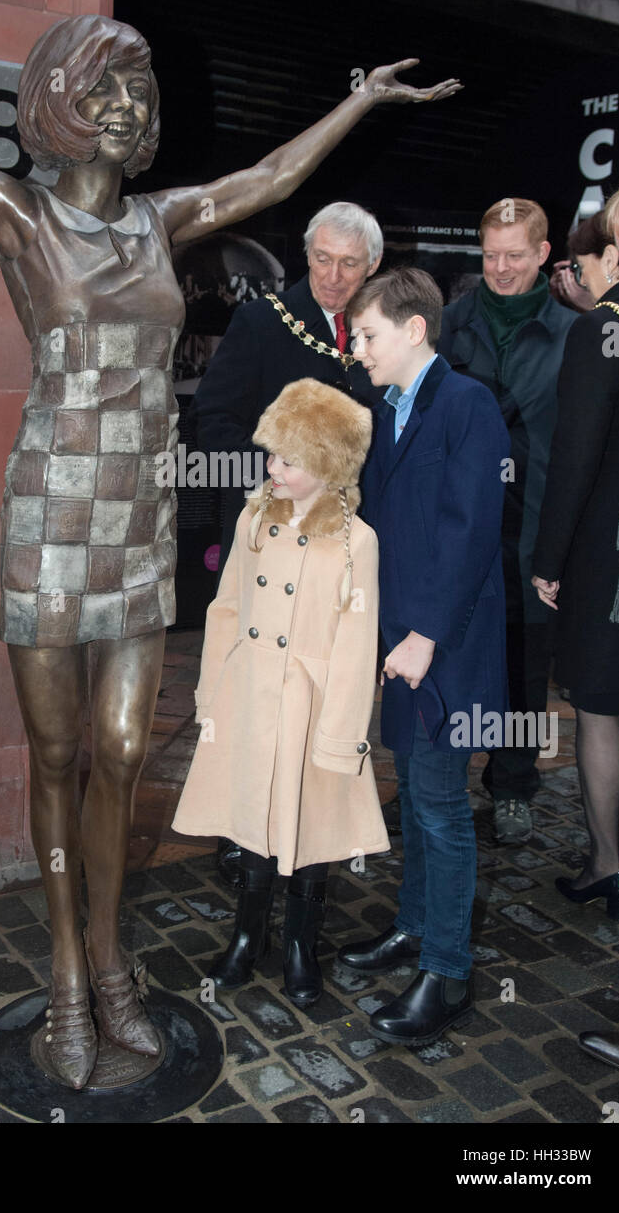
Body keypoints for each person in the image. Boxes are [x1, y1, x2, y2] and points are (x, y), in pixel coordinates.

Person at [0, 0, 460, 1089]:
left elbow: (269, 177)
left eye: (137, 92)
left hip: (138, 512)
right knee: (55, 753)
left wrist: (357, 98)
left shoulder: (161, 220)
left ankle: (113, 969)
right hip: (50, 505)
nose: (124, 106)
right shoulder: (18, 213)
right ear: (55, 102)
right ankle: (64, 975)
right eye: (101, 87)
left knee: (125, 748)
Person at [172, 379, 387, 1009]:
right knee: (249, 824)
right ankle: (247, 934)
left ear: (327, 464)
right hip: (252, 692)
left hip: (313, 705)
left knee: (309, 829)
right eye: (273, 455)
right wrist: (212, 695)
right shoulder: (251, 518)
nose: (273, 469)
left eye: (289, 459)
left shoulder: (356, 540)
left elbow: (357, 639)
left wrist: (342, 733)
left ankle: (300, 944)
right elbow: (226, 607)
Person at [340, 268, 510, 1044]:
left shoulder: (466, 404)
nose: (357, 349)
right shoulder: (386, 408)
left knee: (440, 809)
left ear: (414, 330)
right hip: (400, 641)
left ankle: (446, 971)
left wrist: (423, 635)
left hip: (444, 645)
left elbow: (469, 530)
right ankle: (412, 929)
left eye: (368, 334)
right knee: (412, 799)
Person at [438, 199, 575, 845]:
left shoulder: (576, 335)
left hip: (534, 529)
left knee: (522, 667)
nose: (499, 268)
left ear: (542, 254)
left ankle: (513, 783)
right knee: (445, 654)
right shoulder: (443, 325)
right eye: (489, 255)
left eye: (514, 256)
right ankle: (435, 780)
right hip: (460, 525)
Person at [531, 209, 619, 922]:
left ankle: (608, 865)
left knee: (600, 708)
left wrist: (548, 559)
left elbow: (574, 457)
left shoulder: (603, 327)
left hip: (606, 549)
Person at [192, 201, 386, 575]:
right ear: (308, 254)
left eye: (349, 263)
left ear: (373, 264)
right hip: (274, 533)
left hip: (363, 536)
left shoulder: (386, 332)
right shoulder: (261, 321)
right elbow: (212, 422)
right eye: (323, 258)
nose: (333, 276)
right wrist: (281, 481)